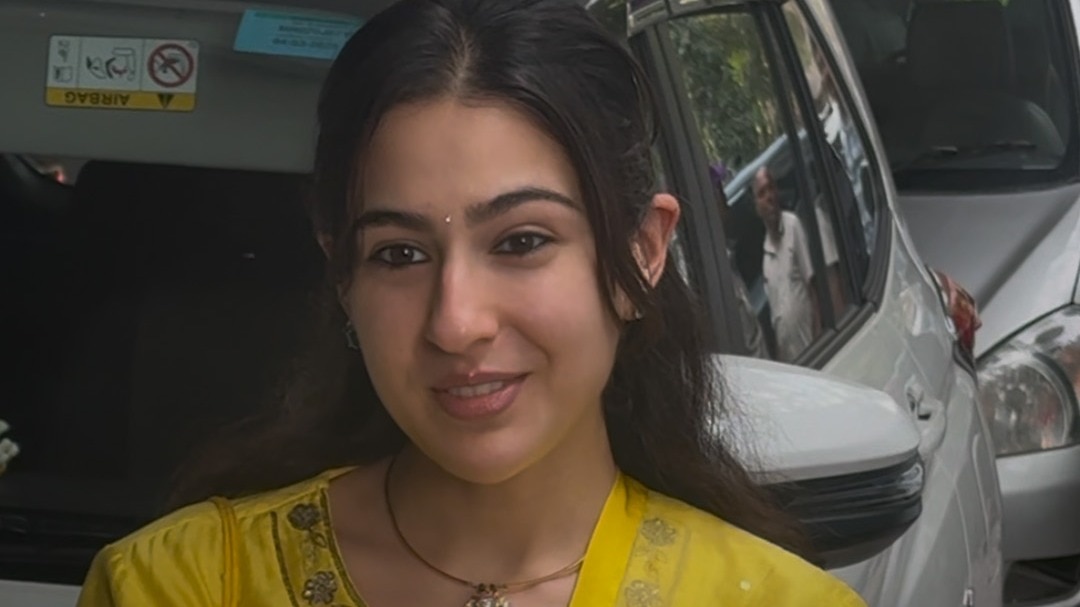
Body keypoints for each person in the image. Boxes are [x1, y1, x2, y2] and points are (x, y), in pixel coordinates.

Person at [76, 1, 866, 605]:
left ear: (642, 253)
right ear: (342, 275)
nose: (456, 322)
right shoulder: (180, 586)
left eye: (521, 241)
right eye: (399, 253)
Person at [753, 167, 821, 362]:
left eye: (771, 188)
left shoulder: (793, 226)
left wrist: (820, 342)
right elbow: (777, 321)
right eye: (762, 193)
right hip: (793, 363)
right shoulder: (766, 256)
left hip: (815, 350)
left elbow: (814, 290)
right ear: (757, 206)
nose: (769, 197)